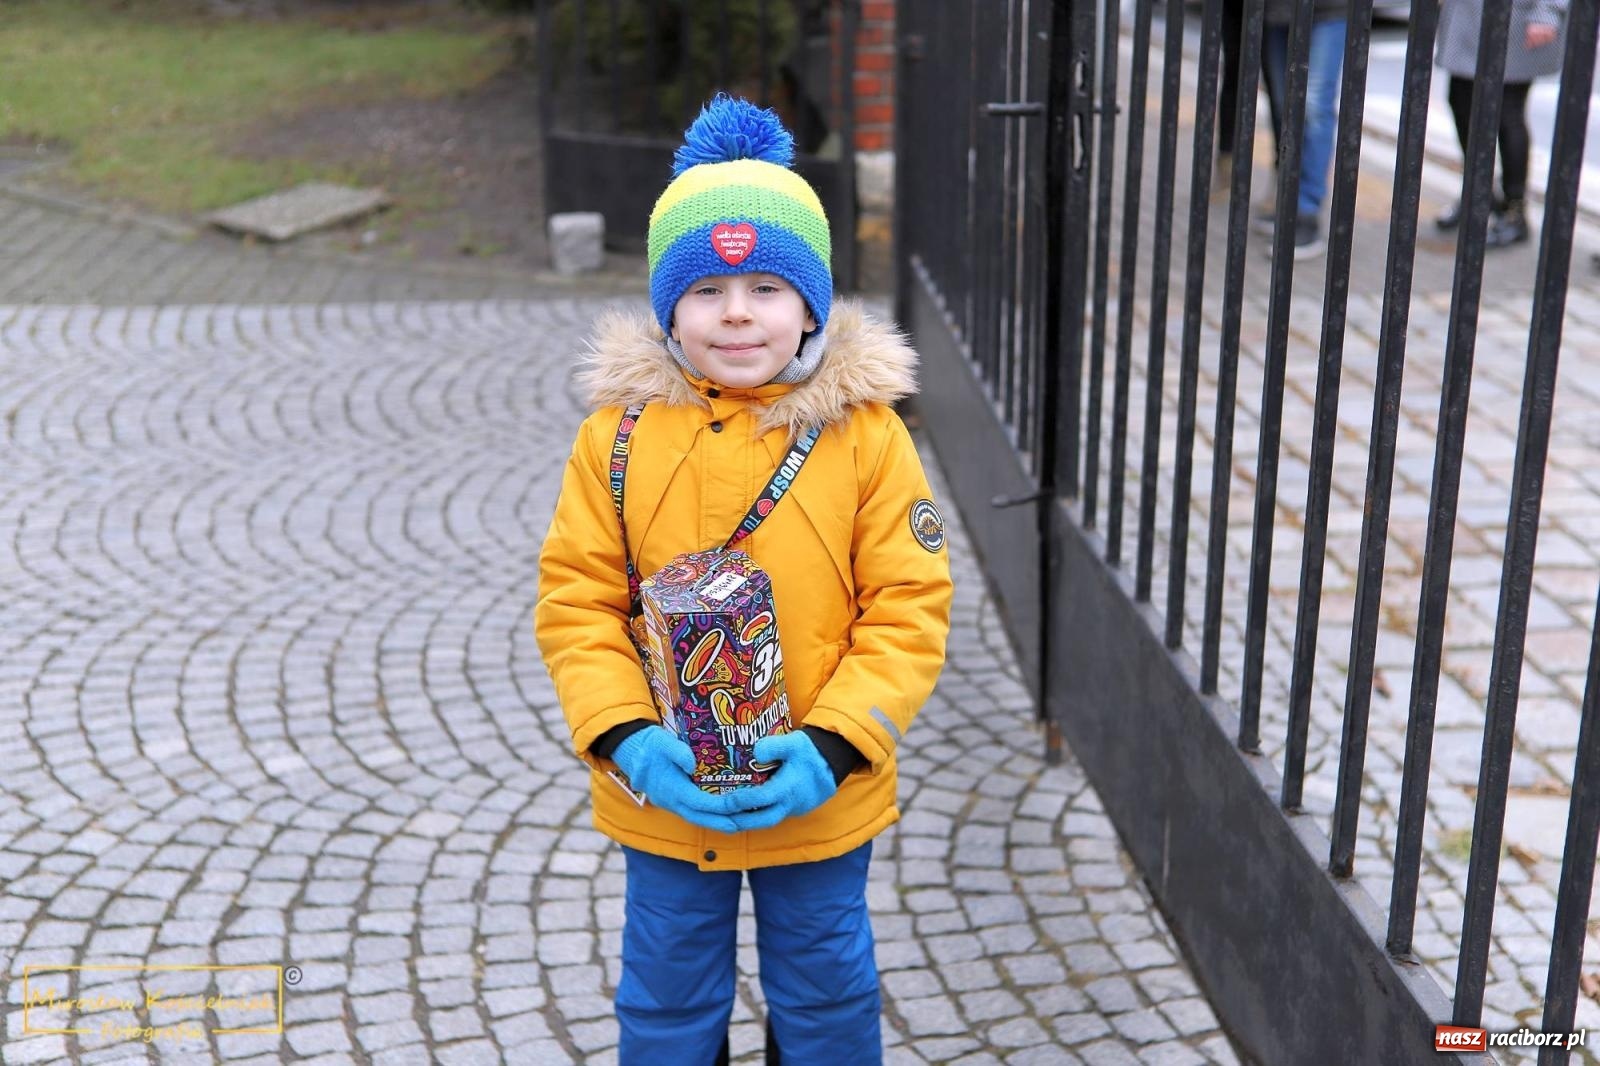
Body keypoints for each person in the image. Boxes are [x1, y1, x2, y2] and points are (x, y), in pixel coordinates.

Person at [534, 95, 953, 1065]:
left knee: (827, 991)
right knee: (667, 994)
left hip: (818, 789)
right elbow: (576, 599)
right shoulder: (617, 440)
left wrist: (839, 743)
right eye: (705, 289)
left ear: (810, 303)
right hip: (668, 793)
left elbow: (908, 605)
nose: (734, 313)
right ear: (665, 307)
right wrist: (624, 737)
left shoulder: (866, 437)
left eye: (766, 286)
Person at [1434, 0, 1568, 247]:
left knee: (1508, 112)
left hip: (1516, 15)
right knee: (1460, 100)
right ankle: (1478, 193)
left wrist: (1548, 10)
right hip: (1468, 14)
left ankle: (1514, 210)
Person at [1257, 0, 1349, 258]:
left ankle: (1306, 210)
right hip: (1277, 10)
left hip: (1328, 10)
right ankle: (1289, 201)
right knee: (1283, 102)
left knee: (1314, 104)